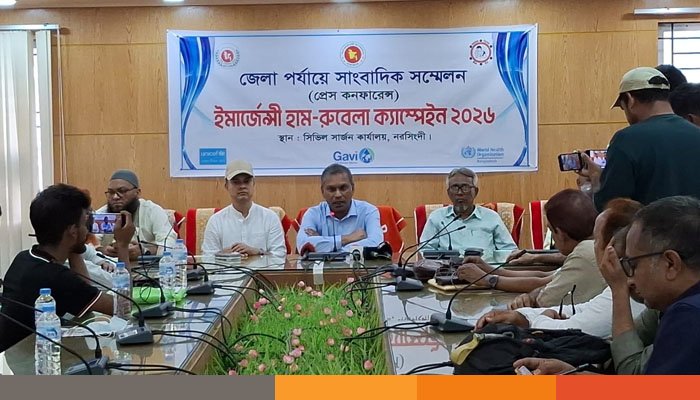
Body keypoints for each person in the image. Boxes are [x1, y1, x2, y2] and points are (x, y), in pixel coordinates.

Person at [516, 196, 700, 375]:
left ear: (670, 264)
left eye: (632, 264)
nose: (629, 278)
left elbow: (632, 374)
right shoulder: (670, 303)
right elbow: (621, 355)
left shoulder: (689, 315)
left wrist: (619, 290)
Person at [474, 198, 646, 338]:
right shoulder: (619, 286)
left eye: (596, 239)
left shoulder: (628, 293)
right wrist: (521, 316)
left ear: (611, 250)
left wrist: (538, 317)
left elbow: (572, 328)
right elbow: (583, 309)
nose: (592, 245)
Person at [0, 184, 134, 352]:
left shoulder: (25, 258)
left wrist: (73, 246)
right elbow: (124, 307)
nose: (87, 230)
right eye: (84, 224)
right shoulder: (56, 277)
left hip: (14, 357)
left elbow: (85, 293)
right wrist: (123, 245)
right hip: (34, 360)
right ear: (72, 231)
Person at [577, 67, 700, 211]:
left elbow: (612, 207)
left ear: (630, 100)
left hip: (651, 225)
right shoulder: (696, 133)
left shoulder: (626, 140)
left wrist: (597, 180)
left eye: (623, 108)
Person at [457, 189, 605, 308]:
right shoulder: (591, 246)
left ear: (560, 233)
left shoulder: (584, 254)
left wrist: (487, 280)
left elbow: (543, 294)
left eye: (550, 231)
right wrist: (488, 269)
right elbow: (542, 276)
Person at [420, 167, 517, 262]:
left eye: (465, 187)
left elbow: (509, 250)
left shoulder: (491, 217)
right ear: (448, 193)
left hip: (484, 269)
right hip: (447, 270)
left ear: (476, 192)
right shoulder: (437, 217)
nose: (460, 193)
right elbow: (426, 250)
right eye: (455, 187)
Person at [202, 160, 286, 258]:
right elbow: (207, 258)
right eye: (236, 182)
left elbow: (280, 255)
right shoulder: (216, 221)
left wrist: (258, 252)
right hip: (227, 268)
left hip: (262, 268)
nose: (242, 186)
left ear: (253, 183)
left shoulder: (270, 218)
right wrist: (222, 255)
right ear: (226, 186)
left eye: (246, 181)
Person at [296, 164, 382, 253]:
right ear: (322, 191)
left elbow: (376, 244)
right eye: (331, 189)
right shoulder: (313, 213)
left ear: (352, 188)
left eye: (343, 188)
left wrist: (324, 245)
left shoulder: (368, 211)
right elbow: (303, 245)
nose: (338, 195)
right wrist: (347, 238)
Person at [96, 169, 176, 259]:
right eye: (111, 192)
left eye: (122, 191)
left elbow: (170, 244)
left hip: (147, 266)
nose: (115, 197)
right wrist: (102, 250)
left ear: (137, 193)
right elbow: (88, 245)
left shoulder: (151, 211)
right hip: (110, 265)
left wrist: (145, 251)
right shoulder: (101, 214)